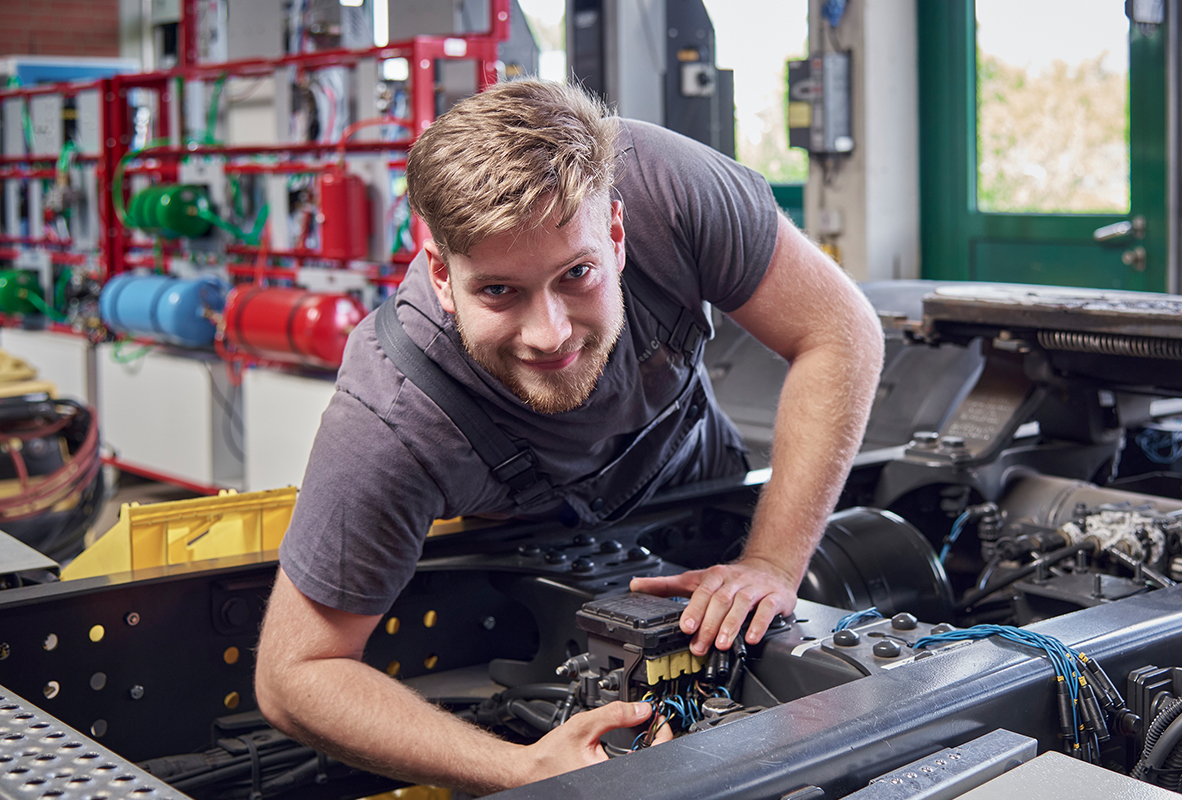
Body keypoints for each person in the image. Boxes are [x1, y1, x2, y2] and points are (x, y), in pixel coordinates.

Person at [255, 79, 883, 794]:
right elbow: (295, 672)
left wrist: (772, 562)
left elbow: (840, 331)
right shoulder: (392, 419)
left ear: (616, 235)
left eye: (576, 274)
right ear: (440, 273)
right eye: (499, 292)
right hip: (529, 600)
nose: (549, 333)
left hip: (709, 495)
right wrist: (522, 768)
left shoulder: (668, 188)